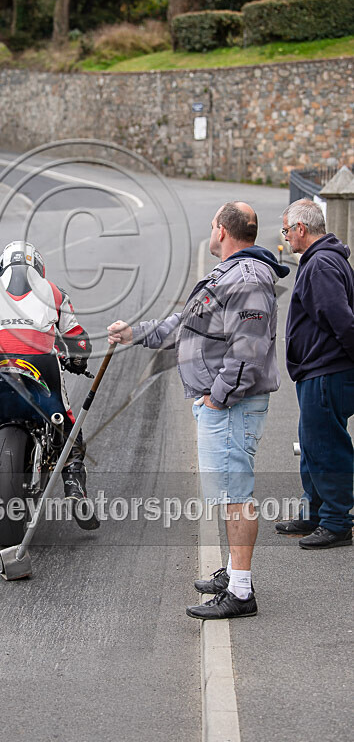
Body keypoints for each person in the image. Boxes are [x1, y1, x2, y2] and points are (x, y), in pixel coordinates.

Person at [108, 202, 290, 619]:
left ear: (222, 231)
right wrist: (135, 333)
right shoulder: (231, 274)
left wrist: (218, 396)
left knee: (236, 496)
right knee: (228, 493)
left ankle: (241, 592)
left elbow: (248, 349)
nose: (210, 233)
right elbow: (185, 323)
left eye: (211, 226)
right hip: (225, 405)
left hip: (231, 406)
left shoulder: (246, 277)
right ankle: (233, 573)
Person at [0, 240, 99, 530]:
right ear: (39, 269)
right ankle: (73, 485)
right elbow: (79, 341)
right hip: (41, 363)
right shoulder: (56, 293)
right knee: (67, 420)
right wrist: (77, 362)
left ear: (2, 267)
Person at [276, 199, 353, 549]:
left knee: (326, 446)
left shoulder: (320, 263)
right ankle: (316, 512)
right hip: (318, 369)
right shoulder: (322, 260)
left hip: (326, 369)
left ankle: (337, 521)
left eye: (286, 230)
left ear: (301, 229)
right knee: (311, 444)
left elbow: (341, 321)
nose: (286, 237)